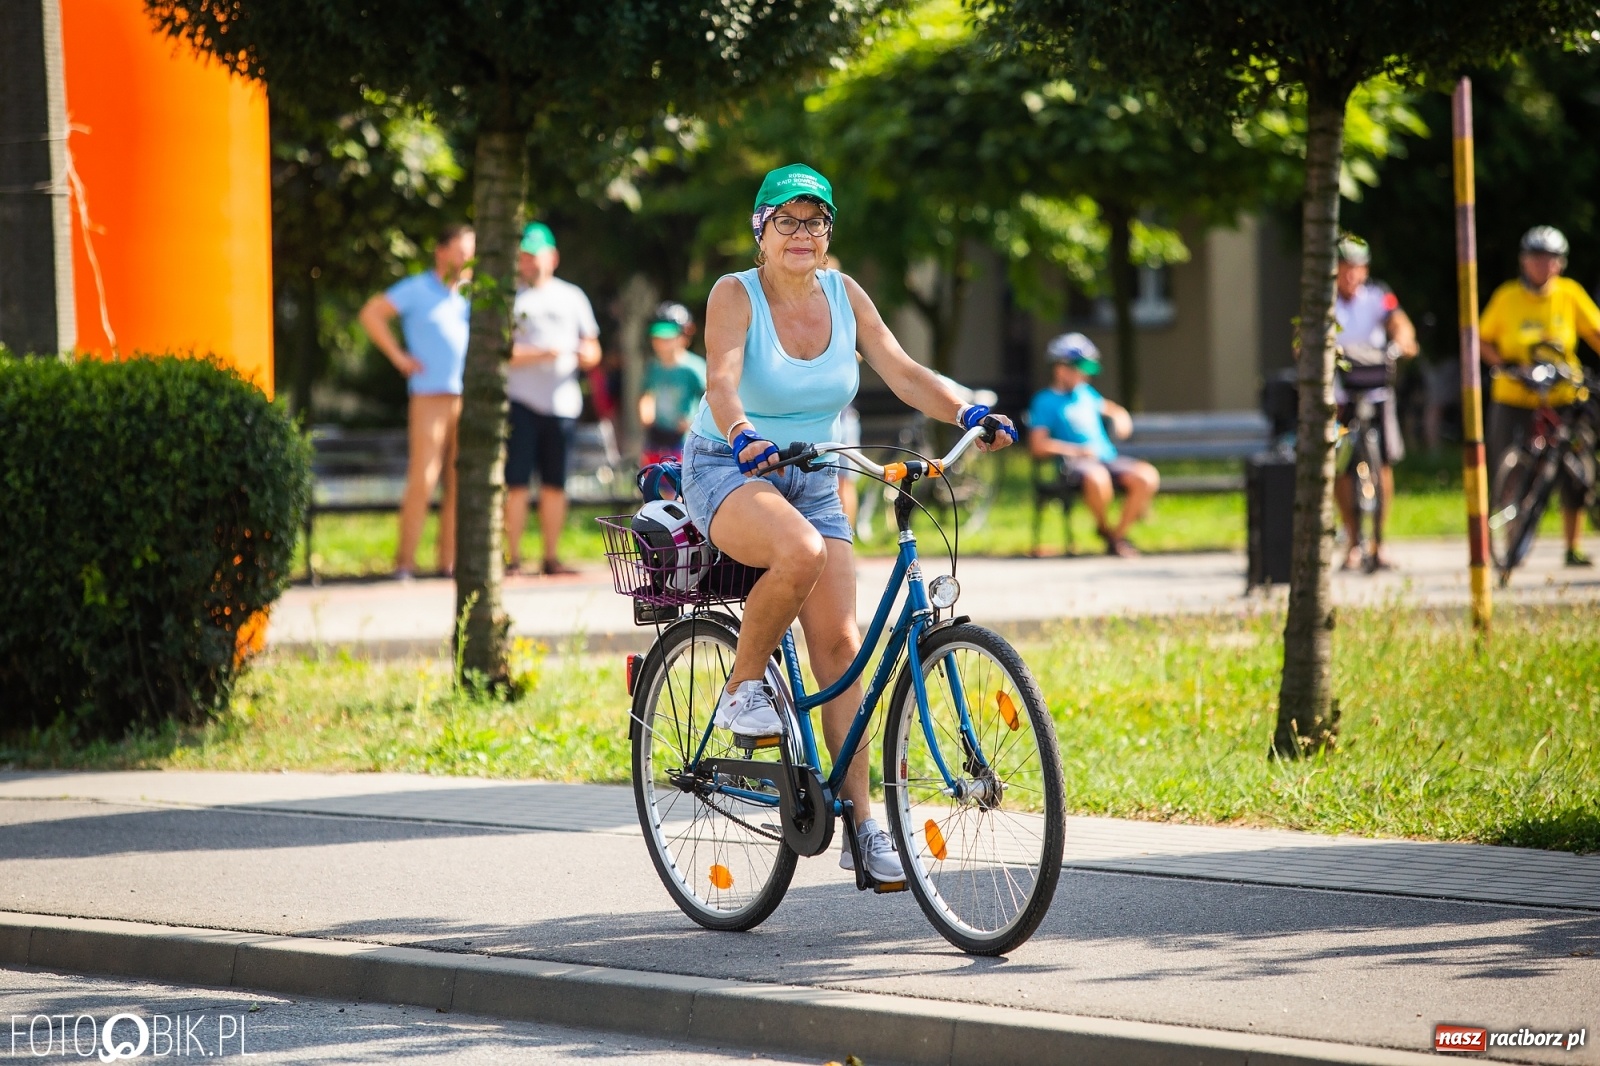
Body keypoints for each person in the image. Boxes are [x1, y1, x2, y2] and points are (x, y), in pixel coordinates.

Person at [682, 163, 1015, 885]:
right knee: (798, 553)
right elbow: (721, 377)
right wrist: (740, 432)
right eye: (786, 220)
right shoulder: (734, 293)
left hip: (815, 467)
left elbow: (901, 369)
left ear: (829, 231)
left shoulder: (844, 292)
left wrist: (968, 411)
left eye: (815, 220)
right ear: (760, 229)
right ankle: (743, 687)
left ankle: (863, 824)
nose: (801, 234)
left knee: (840, 642)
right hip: (729, 464)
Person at [358, 222, 474, 580]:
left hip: (466, 397)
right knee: (422, 478)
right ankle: (405, 563)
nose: (468, 258)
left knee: (463, 481)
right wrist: (399, 357)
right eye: (462, 250)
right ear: (441, 252)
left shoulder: (472, 295)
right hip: (428, 397)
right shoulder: (416, 288)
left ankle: (449, 562)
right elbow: (371, 314)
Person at [1481, 225, 1600, 567]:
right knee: (1510, 464)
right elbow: (1484, 339)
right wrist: (1504, 365)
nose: (1541, 265)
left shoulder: (1570, 294)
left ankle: (1572, 545)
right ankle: (1512, 538)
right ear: (1523, 261)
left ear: (1560, 264)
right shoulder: (1506, 297)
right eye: (1535, 257)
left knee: (1578, 471)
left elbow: (1595, 332)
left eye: (1548, 259)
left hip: (1563, 394)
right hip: (1516, 395)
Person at [504, 222, 601, 576]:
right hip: (520, 401)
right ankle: (511, 557)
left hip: (562, 405)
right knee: (515, 482)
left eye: (534, 255)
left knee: (554, 484)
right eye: (524, 256)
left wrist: (585, 355)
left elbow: (592, 346)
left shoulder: (571, 296)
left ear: (553, 257)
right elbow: (497, 351)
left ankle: (550, 556)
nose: (529, 263)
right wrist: (541, 353)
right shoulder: (510, 297)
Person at [1331, 235, 1420, 571]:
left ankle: (1378, 542)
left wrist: (1401, 345)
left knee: (1384, 464)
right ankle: (1353, 540)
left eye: (1354, 268)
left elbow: (1400, 324)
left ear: (1364, 270)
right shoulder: (1325, 300)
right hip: (1340, 396)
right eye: (1342, 268)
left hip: (1377, 391)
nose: (1349, 275)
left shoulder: (1378, 296)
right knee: (1341, 463)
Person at [1026, 332, 1158, 558]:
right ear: (1061, 369)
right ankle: (1107, 531)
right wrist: (1076, 450)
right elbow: (1038, 446)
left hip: (1107, 457)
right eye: (1080, 369)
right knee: (1098, 479)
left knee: (1146, 476)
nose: (1085, 376)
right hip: (1075, 464)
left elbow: (1112, 409)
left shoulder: (1087, 394)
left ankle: (1116, 536)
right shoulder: (1044, 401)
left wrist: (1120, 416)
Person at [639, 301, 706, 465]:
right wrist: (645, 411)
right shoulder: (653, 367)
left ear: (684, 335)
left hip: (683, 438)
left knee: (678, 484)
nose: (662, 341)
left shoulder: (694, 368)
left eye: (668, 335)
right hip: (657, 435)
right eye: (658, 335)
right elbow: (647, 393)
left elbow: (712, 396)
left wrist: (693, 420)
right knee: (652, 481)